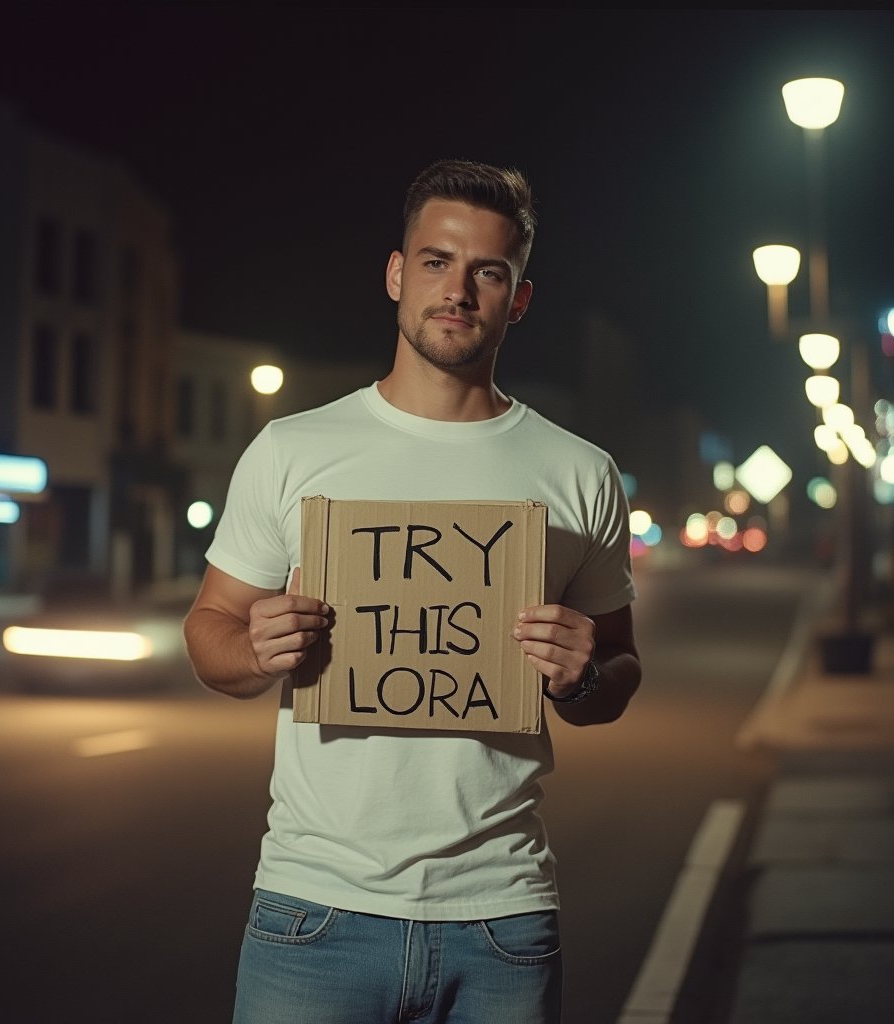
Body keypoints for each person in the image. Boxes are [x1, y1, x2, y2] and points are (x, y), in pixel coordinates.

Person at [183, 158, 641, 1024]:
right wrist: (252, 650)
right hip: (312, 911)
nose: (458, 289)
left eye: (488, 271)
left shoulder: (580, 473)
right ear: (398, 274)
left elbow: (619, 670)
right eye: (436, 261)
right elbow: (209, 629)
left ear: (520, 297)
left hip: (502, 915)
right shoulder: (293, 450)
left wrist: (583, 674)